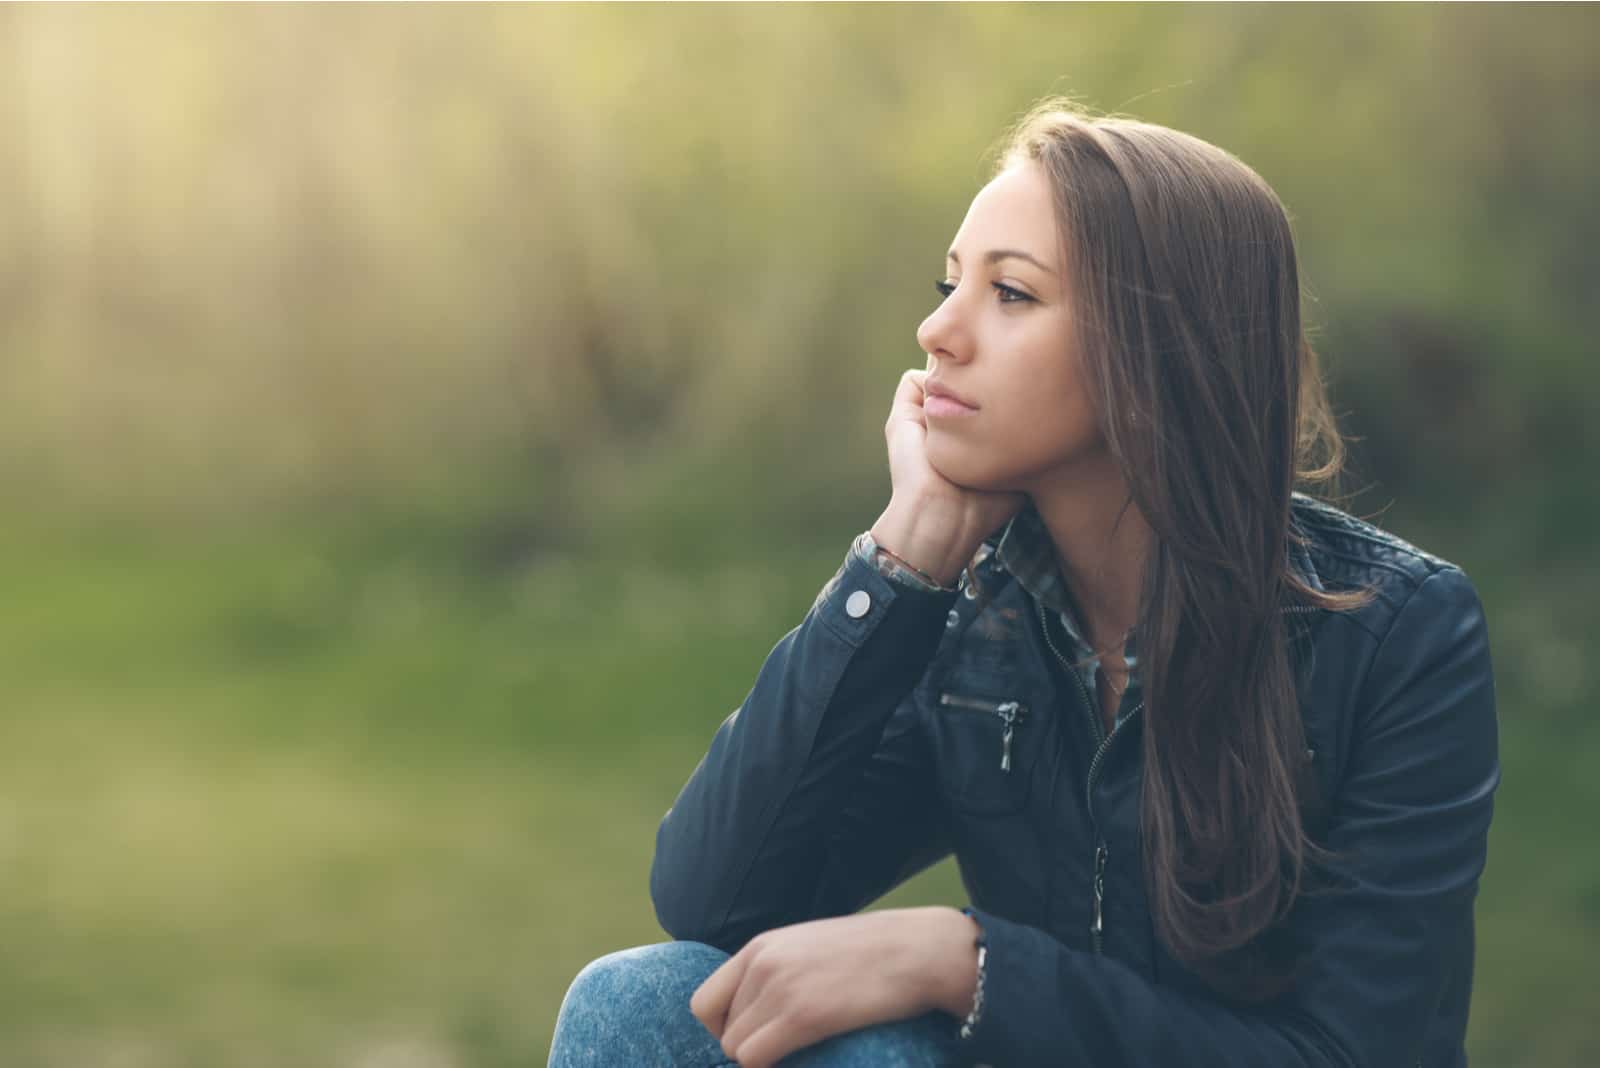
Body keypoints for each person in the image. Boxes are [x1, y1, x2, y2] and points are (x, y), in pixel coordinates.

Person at [548, 97, 1499, 1068]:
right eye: (948, 283)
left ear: (1155, 350)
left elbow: (1349, 1053)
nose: (935, 331)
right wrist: (902, 558)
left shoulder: (1397, 635)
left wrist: (969, 962)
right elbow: (716, 897)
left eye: (1010, 294)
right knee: (638, 1003)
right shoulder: (977, 612)